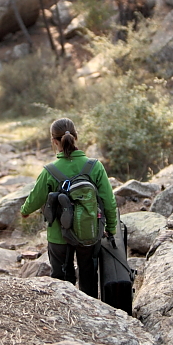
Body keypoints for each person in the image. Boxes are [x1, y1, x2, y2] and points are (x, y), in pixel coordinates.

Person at [20, 117, 117, 298]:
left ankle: (66, 316)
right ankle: (91, 312)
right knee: (88, 274)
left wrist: (25, 211)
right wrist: (110, 228)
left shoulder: (50, 170)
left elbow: (34, 198)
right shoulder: (95, 167)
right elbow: (109, 202)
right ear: (76, 137)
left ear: (54, 141)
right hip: (90, 231)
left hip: (59, 235)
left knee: (61, 279)